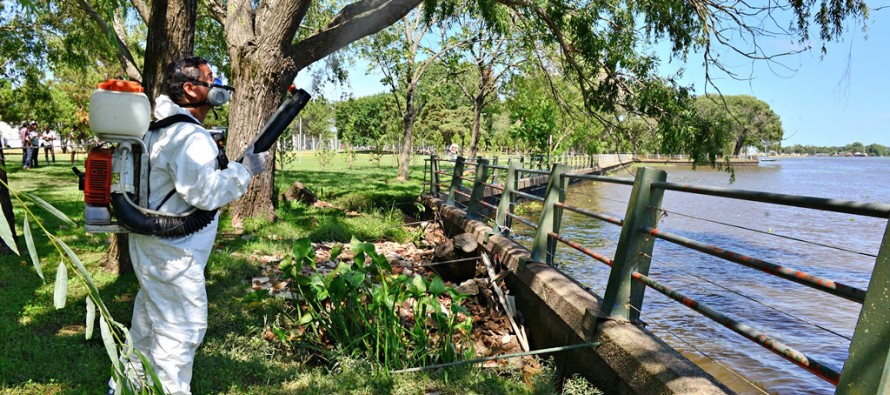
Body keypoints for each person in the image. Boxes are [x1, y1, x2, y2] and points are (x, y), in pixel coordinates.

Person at [108, 57, 268, 395]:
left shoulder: (162, 128)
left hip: (155, 247)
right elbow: (207, 193)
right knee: (181, 332)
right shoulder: (187, 135)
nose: (217, 85)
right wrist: (246, 170)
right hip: (173, 255)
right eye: (210, 79)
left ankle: (124, 388)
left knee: (149, 326)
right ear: (189, 89)